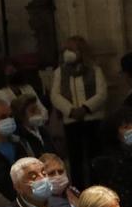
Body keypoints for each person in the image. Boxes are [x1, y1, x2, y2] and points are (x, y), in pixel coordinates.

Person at [45, 36, 108, 182]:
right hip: (71, 121)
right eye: (66, 49)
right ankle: (79, 188)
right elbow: (55, 95)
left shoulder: (94, 70)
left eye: (72, 49)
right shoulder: (60, 72)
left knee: (95, 156)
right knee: (75, 158)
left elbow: (102, 93)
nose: (68, 52)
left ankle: (97, 185)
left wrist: (85, 108)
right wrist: (71, 110)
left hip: (93, 119)